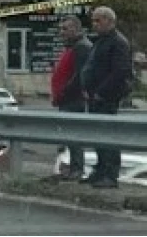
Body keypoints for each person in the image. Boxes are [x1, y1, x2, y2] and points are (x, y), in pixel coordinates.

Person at [81, 5, 134, 188]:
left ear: (110, 21)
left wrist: (101, 92)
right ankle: (100, 170)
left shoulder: (118, 42)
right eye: (93, 20)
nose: (94, 24)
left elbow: (120, 72)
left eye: (98, 20)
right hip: (94, 96)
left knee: (108, 136)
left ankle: (110, 175)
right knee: (98, 136)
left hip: (106, 97)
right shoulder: (101, 41)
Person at [51, 15, 93, 180]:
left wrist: (64, 92)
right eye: (61, 29)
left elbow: (79, 76)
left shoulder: (81, 47)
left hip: (73, 99)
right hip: (67, 98)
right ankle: (73, 168)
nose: (62, 32)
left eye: (66, 29)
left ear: (76, 29)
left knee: (73, 135)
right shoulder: (73, 46)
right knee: (69, 135)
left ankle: (77, 168)